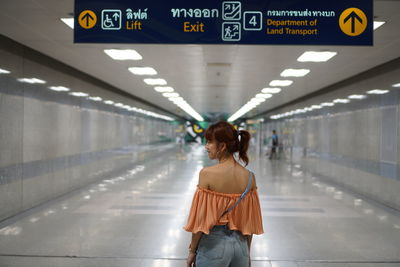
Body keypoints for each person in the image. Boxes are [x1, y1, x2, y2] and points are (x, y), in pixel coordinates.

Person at [184, 121, 264, 267]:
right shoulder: (250, 177)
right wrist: (247, 255)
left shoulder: (207, 174)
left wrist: (192, 250)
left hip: (214, 247)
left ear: (222, 146)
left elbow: (201, 220)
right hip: (241, 248)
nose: (206, 146)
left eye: (209, 142)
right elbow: (249, 224)